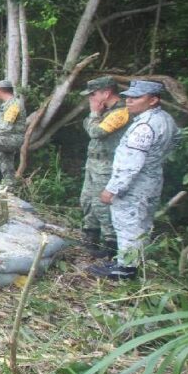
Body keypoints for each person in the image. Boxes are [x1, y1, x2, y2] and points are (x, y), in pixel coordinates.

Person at [89, 80, 180, 280]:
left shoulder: (144, 126)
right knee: (143, 223)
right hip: (153, 179)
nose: (129, 100)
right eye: (128, 96)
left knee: (127, 223)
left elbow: (131, 163)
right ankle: (134, 261)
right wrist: (156, 159)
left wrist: (112, 189)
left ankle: (125, 269)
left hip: (135, 184)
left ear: (153, 100)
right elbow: (176, 141)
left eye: (136, 97)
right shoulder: (165, 119)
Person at [78, 76, 130, 258]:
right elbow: (88, 126)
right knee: (87, 200)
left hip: (107, 166)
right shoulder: (105, 112)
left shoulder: (121, 112)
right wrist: (95, 116)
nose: (90, 98)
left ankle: (110, 245)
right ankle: (90, 237)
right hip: (93, 163)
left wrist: (94, 114)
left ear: (106, 93)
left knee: (103, 204)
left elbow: (95, 132)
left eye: (93, 94)